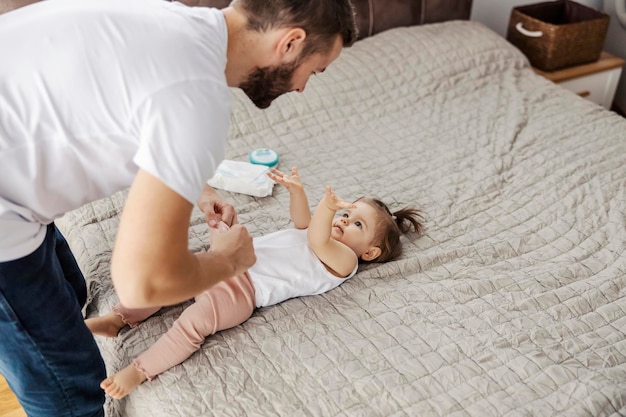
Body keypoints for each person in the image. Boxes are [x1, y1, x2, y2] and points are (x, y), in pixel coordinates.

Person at [0, 0, 358, 415]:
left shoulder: (165, 18)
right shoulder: (197, 100)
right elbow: (140, 282)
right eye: (314, 71)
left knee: (72, 291)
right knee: (70, 390)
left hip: (15, 173)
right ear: (291, 42)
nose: (301, 88)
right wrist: (228, 262)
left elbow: (127, 112)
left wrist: (196, 188)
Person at [85, 167, 425, 399]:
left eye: (356, 224)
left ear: (369, 253)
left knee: (192, 324)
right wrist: (298, 192)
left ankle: (140, 371)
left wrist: (327, 207)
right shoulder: (319, 231)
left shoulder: (344, 262)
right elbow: (303, 223)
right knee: (171, 276)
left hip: (243, 292)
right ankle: (120, 318)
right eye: (346, 215)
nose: (344, 220)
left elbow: (318, 239)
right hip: (229, 261)